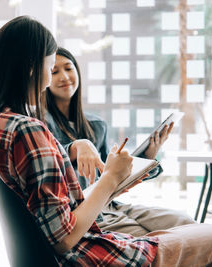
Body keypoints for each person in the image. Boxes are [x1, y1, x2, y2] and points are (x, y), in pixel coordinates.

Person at [0, 15, 212, 266]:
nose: (51, 79)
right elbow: (64, 238)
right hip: (89, 256)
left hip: (83, 245)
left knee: (186, 225)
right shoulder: (27, 131)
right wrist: (110, 178)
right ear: (31, 66)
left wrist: (121, 172)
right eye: (50, 66)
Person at [44, 47, 196, 236]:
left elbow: (113, 178)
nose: (64, 77)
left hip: (111, 204)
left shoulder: (96, 125)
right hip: (84, 213)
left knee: (186, 223)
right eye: (54, 71)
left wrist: (147, 157)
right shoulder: (41, 124)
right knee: (147, 235)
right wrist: (77, 146)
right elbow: (49, 159)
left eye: (68, 68)